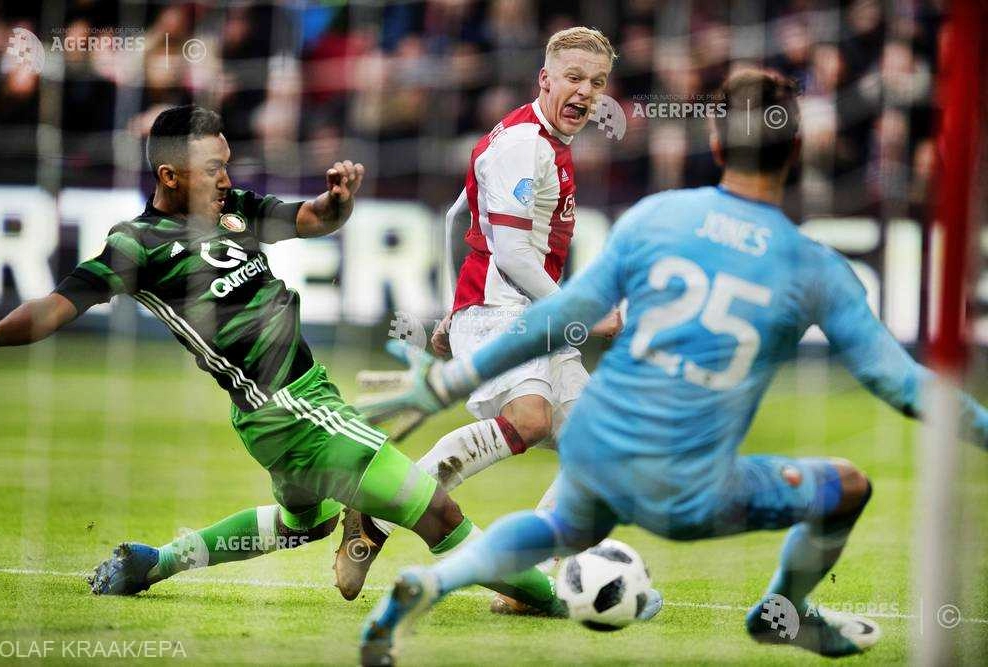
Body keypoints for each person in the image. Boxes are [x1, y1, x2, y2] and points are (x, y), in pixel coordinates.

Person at [355, 68, 988, 664]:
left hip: (602, 444)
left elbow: (562, 310)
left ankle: (432, 579)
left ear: (714, 143)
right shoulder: (815, 267)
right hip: (691, 484)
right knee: (848, 485)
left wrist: (446, 380)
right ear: (797, 151)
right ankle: (785, 609)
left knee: (557, 522)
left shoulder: (656, 217)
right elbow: (896, 381)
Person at [0, 105, 562, 615]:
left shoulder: (234, 210)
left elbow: (312, 220)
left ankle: (153, 562)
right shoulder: (138, 245)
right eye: (213, 167)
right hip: (291, 410)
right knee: (437, 514)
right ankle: (562, 600)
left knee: (301, 526)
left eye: (226, 163)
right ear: (169, 175)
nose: (225, 178)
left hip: (288, 404)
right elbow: (55, 307)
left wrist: (338, 201)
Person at [335, 26, 625, 614]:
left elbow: (454, 216)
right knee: (531, 417)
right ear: (545, 78)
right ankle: (376, 508)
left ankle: (530, 579)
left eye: (597, 84)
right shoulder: (524, 144)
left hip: (520, 314)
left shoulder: (536, 138)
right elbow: (515, 255)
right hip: (503, 311)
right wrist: (582, 311)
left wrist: (450, 308)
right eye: (573, 78)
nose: (585, 93)